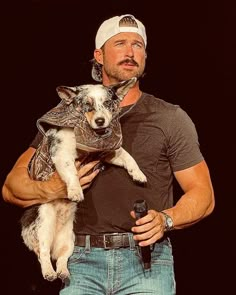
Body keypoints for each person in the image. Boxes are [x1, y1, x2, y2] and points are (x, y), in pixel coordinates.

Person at [2, 14, 215, 294]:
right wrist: (53, 188)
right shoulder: (67, 116)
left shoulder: (170, 118)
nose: (130, 52)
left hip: (147, 262)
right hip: (79, 261)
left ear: (146, 56)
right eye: (120, 43)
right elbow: (11, 187)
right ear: (98, 55)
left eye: (138, 45)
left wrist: (166, 219)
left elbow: (204, 195)